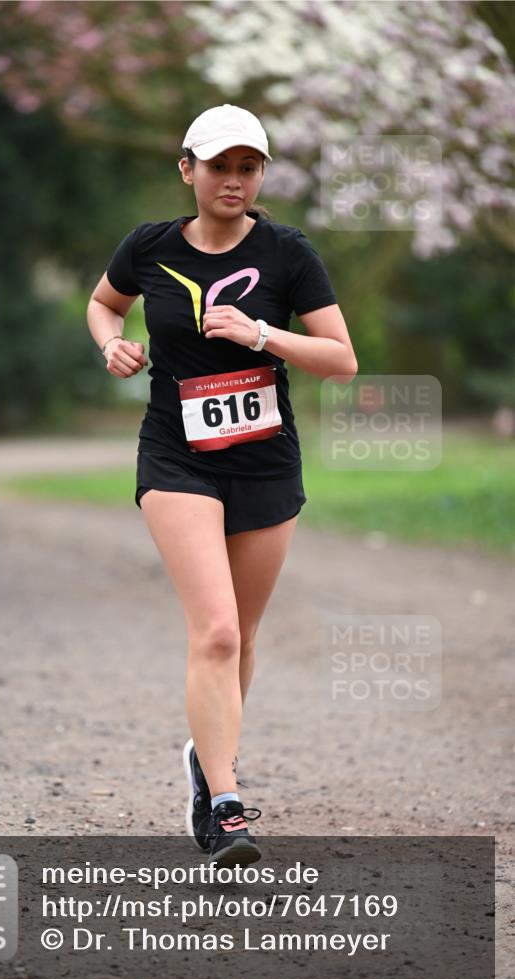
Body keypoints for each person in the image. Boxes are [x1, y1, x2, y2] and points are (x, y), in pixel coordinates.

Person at [87, 105, 358, 867]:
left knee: (241, 635)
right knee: (213, 630)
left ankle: (207, 766)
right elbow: (103, 303)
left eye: (248, 167)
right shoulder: (148, 246)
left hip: (266, 462)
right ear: (188, 170)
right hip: (177, 456)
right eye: (218, 166)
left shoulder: (287, 253)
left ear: (261, 174)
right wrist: (112, 343)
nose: (233, 180)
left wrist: (262, 334)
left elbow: (341, 360)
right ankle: (229, 805)